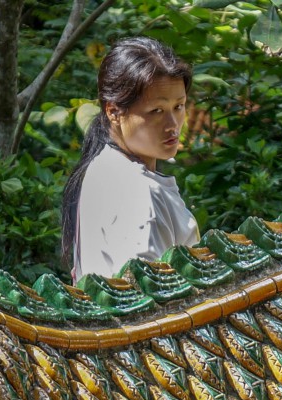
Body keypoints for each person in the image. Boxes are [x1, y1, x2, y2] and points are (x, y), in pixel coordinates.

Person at [61, 36, 200, 281]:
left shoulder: (105, 169)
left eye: (178, 107)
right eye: (156, 111)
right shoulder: (135, 190)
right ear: (114, 112)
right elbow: (145, 293)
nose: (173, 125)